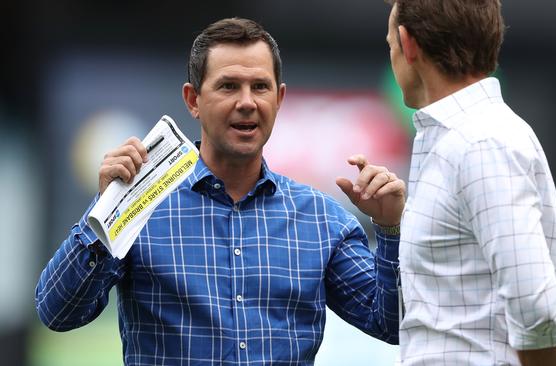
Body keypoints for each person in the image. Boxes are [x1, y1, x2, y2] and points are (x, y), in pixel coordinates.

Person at [35, 17, 406, 365]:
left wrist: (389, 229)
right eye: (229, 86)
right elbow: (57, 312)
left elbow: (391, 324)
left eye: (259, 87)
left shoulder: (321, 219)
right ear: (193, 100)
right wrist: (108, 209)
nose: (247, 102)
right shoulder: (141, 203)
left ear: (278, 99)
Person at [384, 1, 556, 365]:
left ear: (408, 45)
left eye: (390, 44)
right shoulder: (468, 138)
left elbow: (538, 312)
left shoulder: (481, 142)